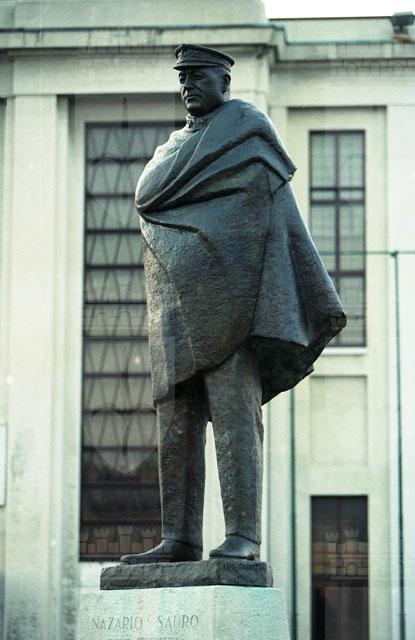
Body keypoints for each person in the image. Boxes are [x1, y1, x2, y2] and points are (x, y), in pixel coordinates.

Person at [120, 44, 346, 564]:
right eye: (182, 78)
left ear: (224, 81)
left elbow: (276, 220)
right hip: (174, 307)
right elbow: (148, 198)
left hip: (234, 304)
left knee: (234, 415)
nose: (188, 86)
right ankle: (179, 537)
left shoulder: (246, 135)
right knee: (175, 419)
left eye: (198, 76)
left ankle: (243, 534)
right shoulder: (171, 150)